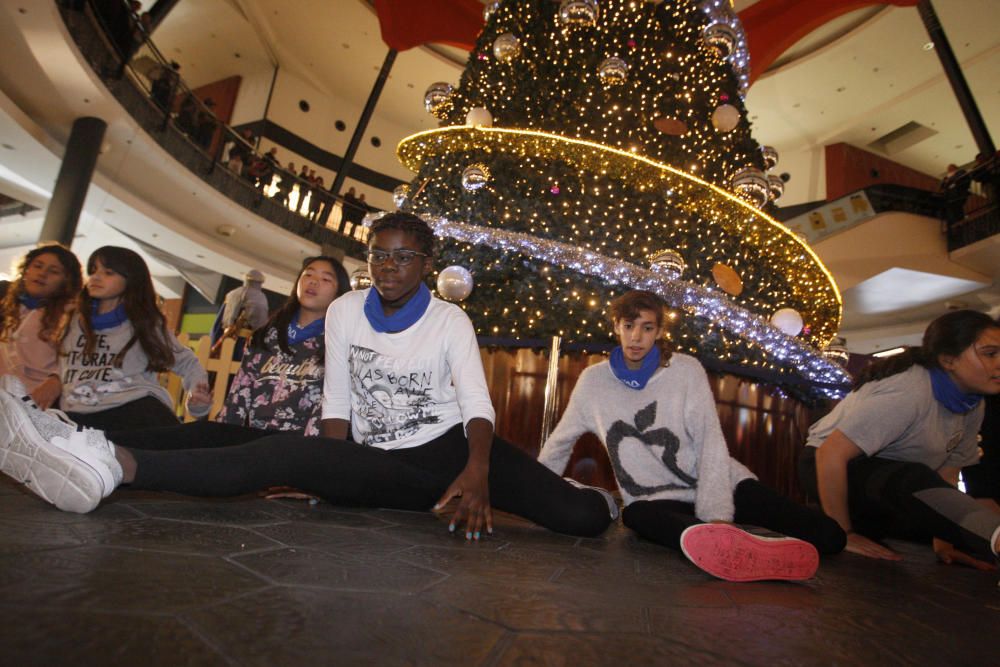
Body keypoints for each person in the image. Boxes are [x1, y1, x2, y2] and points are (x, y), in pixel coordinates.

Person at [0, 214, 616, 542]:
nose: (389, 265)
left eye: (404, 256)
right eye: (379, 254)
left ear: (427, 264)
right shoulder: (348, 310)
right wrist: (326, 467)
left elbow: (478, 403)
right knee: (249, 442)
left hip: (456, 452)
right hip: (381, 460)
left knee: (580, 521)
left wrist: (477, 473)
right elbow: (340, 396)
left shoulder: (450, 319)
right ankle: (100, 456)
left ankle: (603, 501)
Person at [538, 290, 845, 582]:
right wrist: (538, 494)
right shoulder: (594, 381)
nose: (636, 337)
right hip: (657, 500)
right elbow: (561, 441)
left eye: (647, 328)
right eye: (629, 326)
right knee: (636, 515)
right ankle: (738, 550)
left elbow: (709, 439)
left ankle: (729, 543)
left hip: (720, 483)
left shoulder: (686, 370)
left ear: (658, 332)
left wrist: (717, 516)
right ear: (616, 326)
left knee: (830, 538)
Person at [799, 310, 1000, 569]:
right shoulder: (909, 390)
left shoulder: (973, 403)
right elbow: (829, 454)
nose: (999, 362)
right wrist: (843, 535)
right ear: (949, 360)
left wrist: (945, 543)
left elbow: (946, 478)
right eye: (990, 354)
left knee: (955, 526)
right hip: (829, 467)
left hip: (890, 485)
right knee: (913, 477)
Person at [58, 246, 212, 430]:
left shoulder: (144, 322)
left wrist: (198, 400)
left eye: (108, 272)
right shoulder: (72, 321)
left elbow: (186, 362)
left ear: (131, 280)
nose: (96, 277)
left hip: (132, 409)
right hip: (77, 414)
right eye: (93, 271)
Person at [217, 255, 349, 435]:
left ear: (339, 294)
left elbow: (328, 412)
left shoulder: (338, 345)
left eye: (326, 279)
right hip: (252, 444)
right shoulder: (264, 337)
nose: (314, 282)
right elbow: (237, 399)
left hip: (300, 450)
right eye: (308, 275)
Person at [0, 245, 82, 408]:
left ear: (66, 281)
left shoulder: (72, 315)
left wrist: (57, 381)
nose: (42, 273)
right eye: (37, 266)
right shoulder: (9, 307)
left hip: (37, 406)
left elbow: (79, 360)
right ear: (26, 270)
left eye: (54, 271)